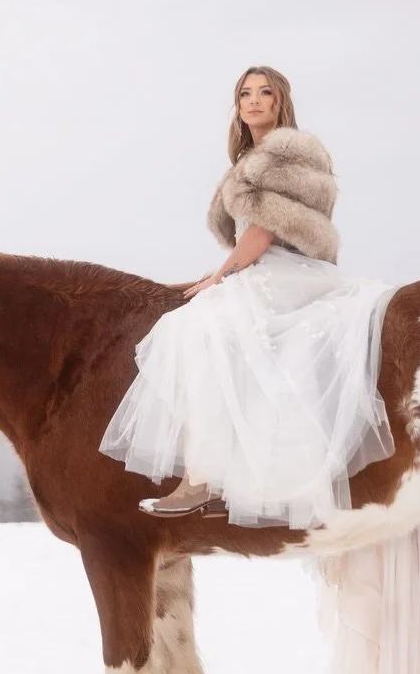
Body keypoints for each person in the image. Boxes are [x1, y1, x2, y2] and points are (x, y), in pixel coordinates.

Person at [100, 67, 393, 523]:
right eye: (245, 94)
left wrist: (219, 278)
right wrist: (213, 275)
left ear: (280, 102)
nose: (254, 101)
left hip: (286, 269)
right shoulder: (249, 161)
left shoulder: (287, 153)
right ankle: (230, 473)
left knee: (193, 330)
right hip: (266, 267)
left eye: (265, 93)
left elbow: (260, 231)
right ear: (237, 107)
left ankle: (201, 478)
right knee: (210, 326)